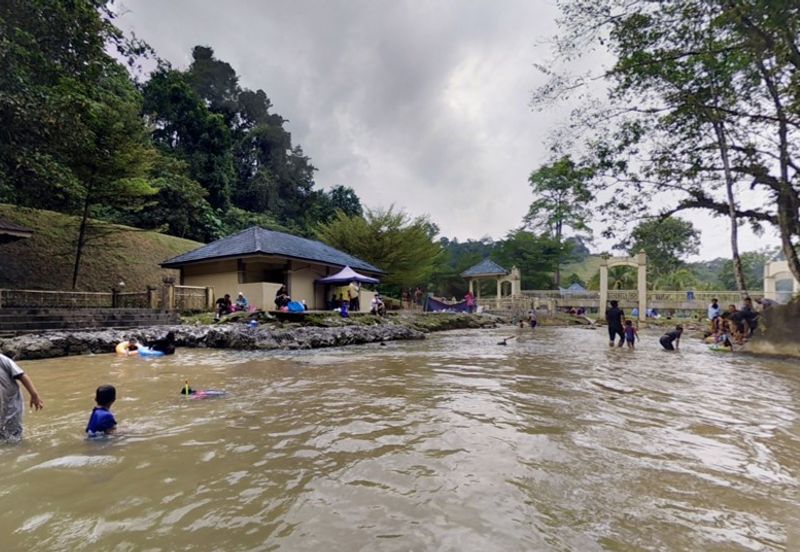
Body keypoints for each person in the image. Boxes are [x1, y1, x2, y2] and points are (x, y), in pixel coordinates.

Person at [0, 353, 43, 442]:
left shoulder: (2, 360)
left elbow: (21, 375)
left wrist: (34, 395)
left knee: (14, 436)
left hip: (11, 403)